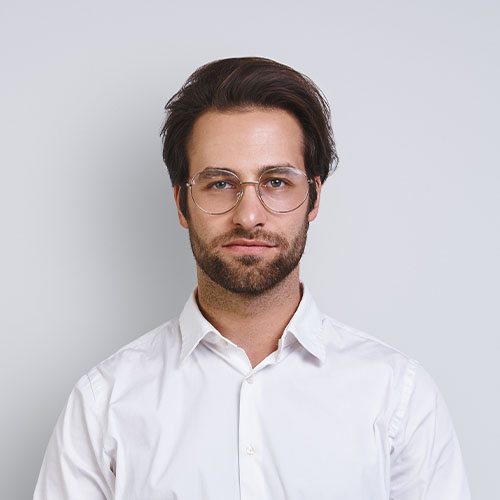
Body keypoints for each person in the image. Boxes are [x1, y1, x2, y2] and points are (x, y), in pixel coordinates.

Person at [33, 57, 471, 499]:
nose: (248, 216)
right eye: (220, 183)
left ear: (314, 197)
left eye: (276, 182)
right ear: (182, 204)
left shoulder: (398, 396)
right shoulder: (104, 405)